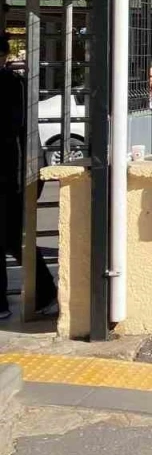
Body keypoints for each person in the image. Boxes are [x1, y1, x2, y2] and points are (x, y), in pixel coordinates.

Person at [0, 36, 57, 320]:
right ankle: (44, 292)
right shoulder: (16, 83)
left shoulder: (13, 84)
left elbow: (14, 129)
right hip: (15, 172)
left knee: (11, 237)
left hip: (12, 174)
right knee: (12, 237)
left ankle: (43, 293)